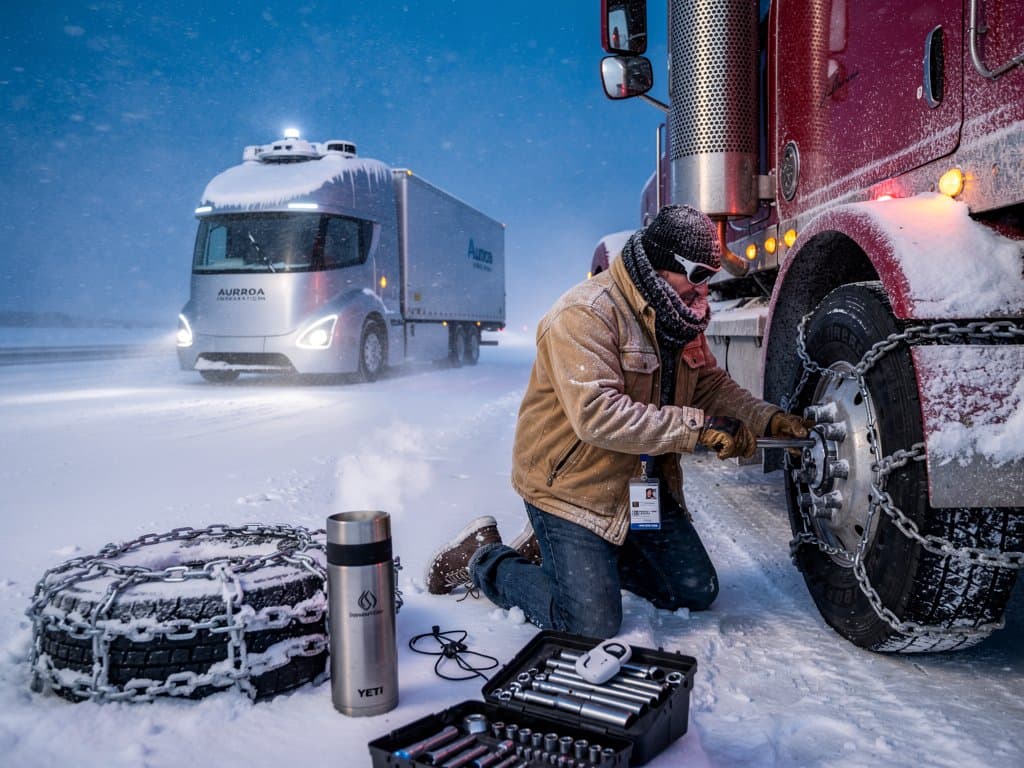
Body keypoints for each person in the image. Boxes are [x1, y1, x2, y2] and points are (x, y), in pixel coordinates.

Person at [425, 205, 811, 637]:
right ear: (664, 264)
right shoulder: (585, 315)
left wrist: (766, 419)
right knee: (590, 622)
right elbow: (597, 415)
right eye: (698, 275)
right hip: (572, 489)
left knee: (693, 589)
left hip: (637, 485)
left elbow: (709, 385)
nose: (705, 292)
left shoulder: (680, 315)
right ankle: (484, 558)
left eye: (712, 276)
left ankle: (576, 558)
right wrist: (696, 429)